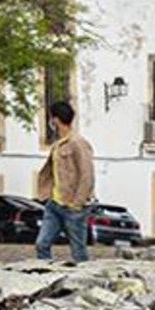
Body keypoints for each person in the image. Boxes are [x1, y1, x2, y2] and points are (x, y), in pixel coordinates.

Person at [36, 101, 95, 263]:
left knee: (78, 252)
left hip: (73, 207)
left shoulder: (78, 143)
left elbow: (87, 175)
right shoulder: (57, 145)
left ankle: (83, 283)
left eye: (51, 119)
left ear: (55, 120)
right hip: (54, 205)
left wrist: (77, 203)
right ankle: (45, 278)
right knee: (42, 244)